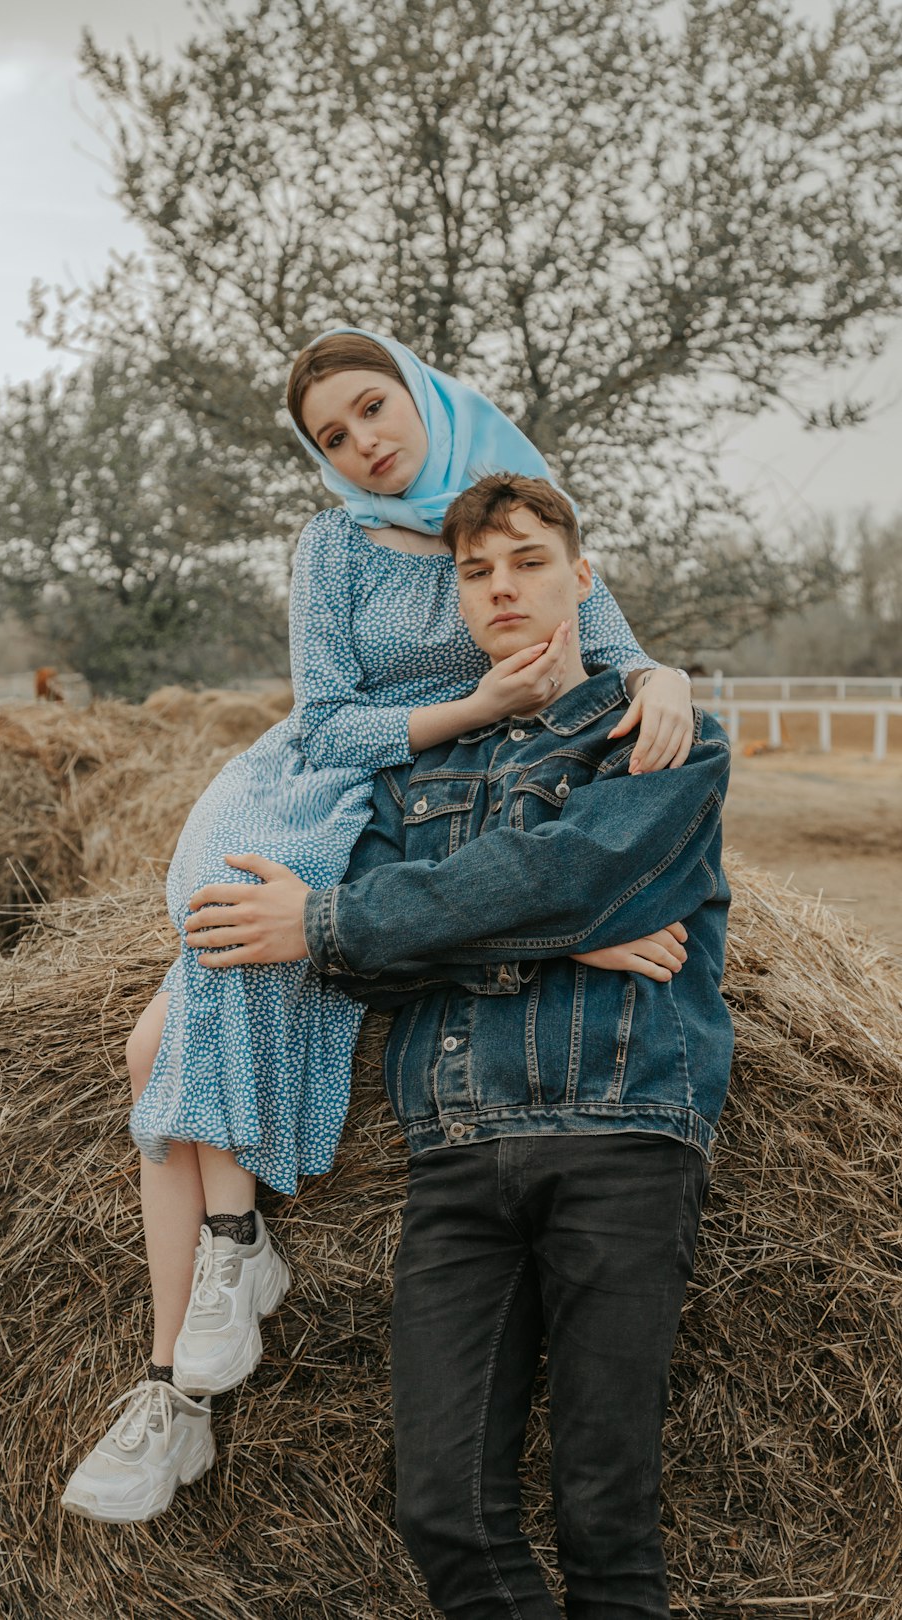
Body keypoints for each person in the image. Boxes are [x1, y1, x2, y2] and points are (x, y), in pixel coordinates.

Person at [61, 332, 697, 1525]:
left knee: (158, 1054)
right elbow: (326, 723)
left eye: (372, 408)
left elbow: (609, 642)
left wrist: (661, 679)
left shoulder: (500, 522)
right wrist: (479, 703)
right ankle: (215, 1295)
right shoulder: (332, 542)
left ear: (422, 391)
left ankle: (179, 1383)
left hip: (424, 813)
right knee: (194, 989)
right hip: (307, 791)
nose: (365, 443)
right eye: (335, 438)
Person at [183, 472, 733, 1617]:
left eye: (528, 561)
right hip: (456, 1156)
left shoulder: (666, 738)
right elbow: (376, 959)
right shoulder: (411, 774)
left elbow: (563, 871)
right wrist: (565, 942)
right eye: (476, 574)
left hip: (620, 1134)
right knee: (444, 1512)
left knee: (605, 1518)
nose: (502, 588)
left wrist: (338, 922)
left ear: (582, 579)